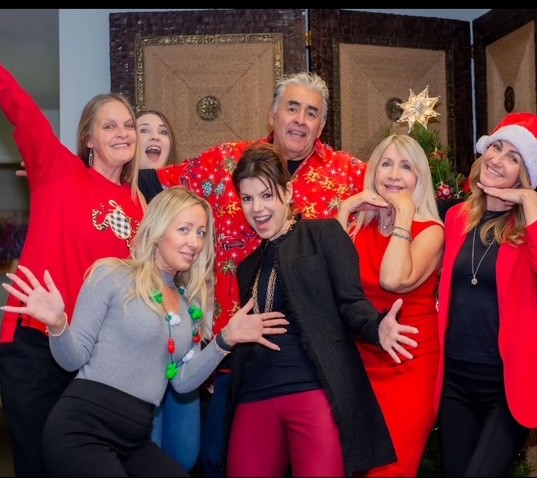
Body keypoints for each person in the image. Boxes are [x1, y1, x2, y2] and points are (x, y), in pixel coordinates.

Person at [0, 9, 147, 477]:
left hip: (92, 355)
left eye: (129, 125)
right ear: (88, 139)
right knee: (37, 463)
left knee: (81, 464)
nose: (123, 133)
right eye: (109, 125)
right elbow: (21, 109)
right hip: (33, 345)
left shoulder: (139, 208)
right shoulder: (58, 171)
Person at [137, 71, 366, 476]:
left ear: (321, 126)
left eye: (311, 113)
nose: (300, 120)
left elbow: (408, 186)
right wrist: (78, 179)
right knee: (215, 460)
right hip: (230, 356)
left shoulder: (348, 174)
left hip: (310, 365)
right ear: (272, 114)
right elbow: (152, 185)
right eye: (292, 108)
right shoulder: (226, 160)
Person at [0, 186, 289, 476]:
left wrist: (225, 340)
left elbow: (183, 382)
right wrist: (58, 324)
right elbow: (71, 360)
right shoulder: (112, 274)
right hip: (81, 432)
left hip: (133, 441)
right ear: (158, 230)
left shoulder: (187, 307)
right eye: (184, 229)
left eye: (201, 233)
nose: (194, 242)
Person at [224, 143, 419, 476]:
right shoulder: (247, 268)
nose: (257, 208)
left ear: (287, 192)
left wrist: (377, 327)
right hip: (254, 395)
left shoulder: (325, 234)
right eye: (247, 198)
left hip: (313, 391)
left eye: (266, 195)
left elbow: (351, 303)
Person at [435, 112, 537, 476]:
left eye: (513, 157)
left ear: (524, 175)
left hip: (508, 382)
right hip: (455, 379)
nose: (498, 159)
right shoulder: (456, 217)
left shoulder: (534, 224)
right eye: (496, 147)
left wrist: (527, 199)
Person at [337, 134, 444, 476]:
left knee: (392, 469)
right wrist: (345, 211)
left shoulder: (431, 231)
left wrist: (404, 215)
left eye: (406, 166)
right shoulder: (359, 228)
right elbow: (329, 278)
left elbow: (393, 279)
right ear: (373, 172)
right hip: (360, 364)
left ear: (419, 178)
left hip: (408, 366)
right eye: (386, 164)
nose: (394, 174)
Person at [135, 109, 202, 473]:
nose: (154, 137)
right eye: (144, 130)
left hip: (183, 343)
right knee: (149, 452)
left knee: (185, 453)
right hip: (143, 347)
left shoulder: (187, 197)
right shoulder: (121, 198)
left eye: (162, 131)